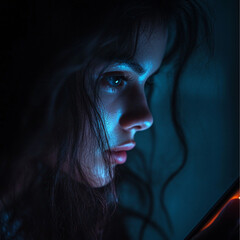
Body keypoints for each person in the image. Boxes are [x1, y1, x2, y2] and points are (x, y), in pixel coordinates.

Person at [0, 0, 238, 239]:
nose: (145, 118)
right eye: (116, 79)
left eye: (148, 83)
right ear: (36, 69)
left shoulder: (66, 211)